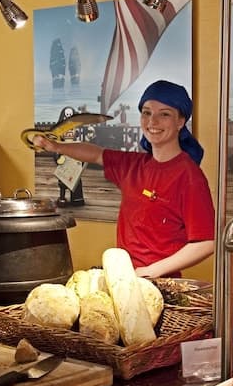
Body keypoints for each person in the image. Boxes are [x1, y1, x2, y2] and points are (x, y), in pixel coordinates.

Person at [31, 80, 215, 278]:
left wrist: (152, 271)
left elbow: (207, 242)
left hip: (161, 284)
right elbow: (96, 154)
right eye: (146, 112)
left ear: (180, 121)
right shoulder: (133, 165)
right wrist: (55, 146)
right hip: (124, 278)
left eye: (164, 114)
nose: (152, 122)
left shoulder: (189, 176)